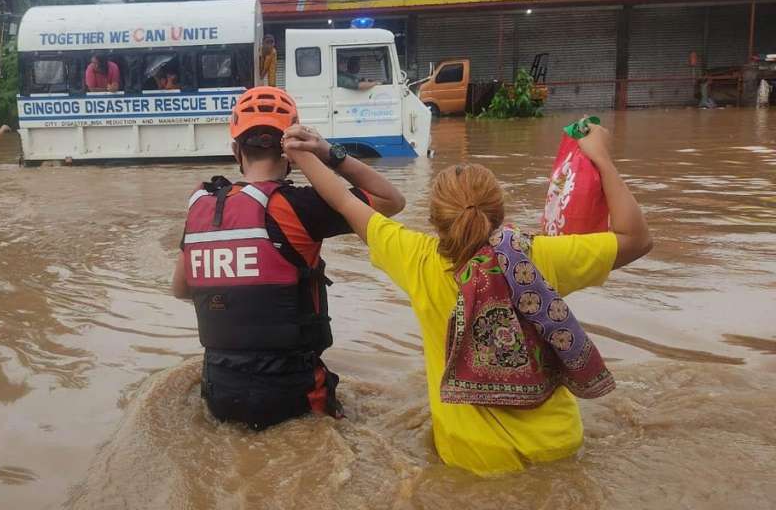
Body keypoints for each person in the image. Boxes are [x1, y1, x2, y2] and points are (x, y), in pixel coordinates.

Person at [282, 121, 652, 475]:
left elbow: (343, 201)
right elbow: (637, 239)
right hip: (558, 444)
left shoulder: (416, 259)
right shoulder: (539, 257)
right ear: (499, 212)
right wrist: (601, 158)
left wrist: (307, 152)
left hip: (471, 457)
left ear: (434, 218)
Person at [171, 86, 406, 430]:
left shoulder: (201, 207)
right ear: (290, 151)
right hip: (294, 393)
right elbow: (392, 200)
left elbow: (180, 289)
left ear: (236, 150)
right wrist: (327, 153)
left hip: (219, 392)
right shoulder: (302, 206)